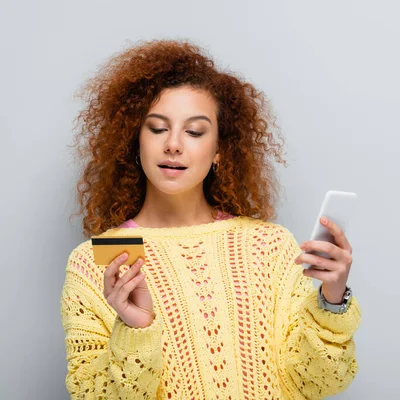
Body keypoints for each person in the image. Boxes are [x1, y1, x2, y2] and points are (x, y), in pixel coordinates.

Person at [60, 39, 361, 400]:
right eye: (157, 128)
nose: (173, 144)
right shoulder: (100, 260)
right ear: (134, 142)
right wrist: (136, 330)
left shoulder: (269, 246)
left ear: (219, 150)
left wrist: (331, 299)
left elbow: (317, 382)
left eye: (195, 131)